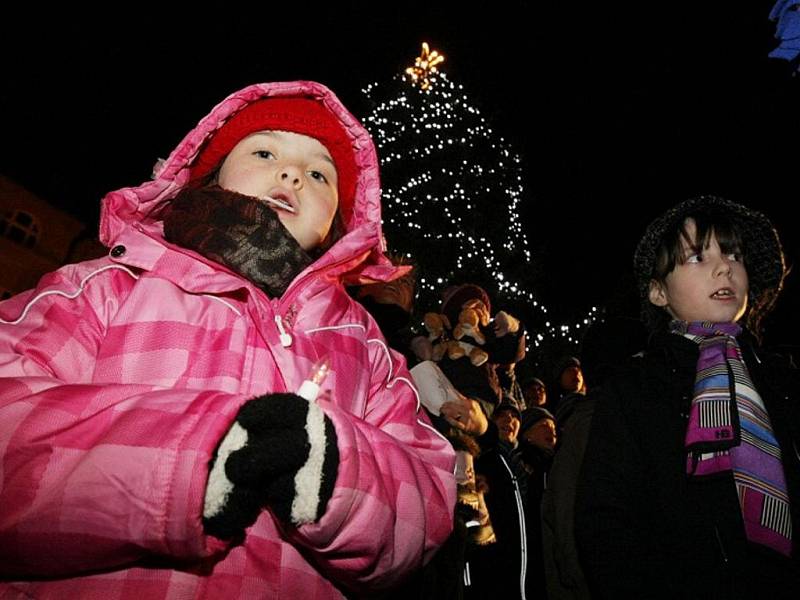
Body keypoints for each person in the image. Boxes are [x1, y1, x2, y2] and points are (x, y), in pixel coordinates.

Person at [0, 81, 456, 598]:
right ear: (212, 175)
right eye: (265, 151)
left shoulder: (365, 347)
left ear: (341, 224)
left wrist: (332, 473)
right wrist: (187, 462)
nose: (292, 175)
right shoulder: (108, 288)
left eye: (319, 173)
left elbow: (428, 494)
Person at [575, 196, 800, 598]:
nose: (723, 267)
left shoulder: (782, 378)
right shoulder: (635, 388)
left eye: (733, 253)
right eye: (697, 257)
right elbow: (606, 521)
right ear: (659, 292)